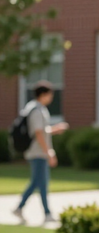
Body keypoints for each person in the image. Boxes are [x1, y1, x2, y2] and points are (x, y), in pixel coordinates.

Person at [12, 80, 69, 223]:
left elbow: (41, 131)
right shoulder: (37, 110)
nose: (51, 97)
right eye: (50, 94)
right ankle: (45, 213)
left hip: (37, 151)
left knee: (38, 183)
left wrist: (55, 129)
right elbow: (38, 133)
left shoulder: (33, 108)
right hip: (37, 152)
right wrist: (49, 152)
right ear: (43, 94)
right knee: (40, 183)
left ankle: (23, 208)